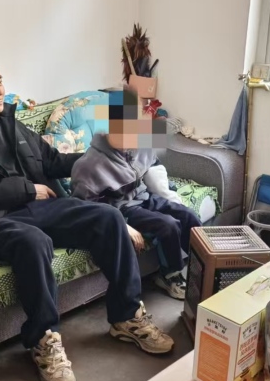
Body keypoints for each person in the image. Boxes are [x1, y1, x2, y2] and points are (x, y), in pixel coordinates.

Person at [0, 54, 174, 381]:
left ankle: (127, 316)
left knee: (107, 216)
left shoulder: (11, 122)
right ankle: (44, 340)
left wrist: (101, 156)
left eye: (0, 81)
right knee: (33, 241)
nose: (0, 90)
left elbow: (52, 160)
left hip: (38, 207)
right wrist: (28, 189)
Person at [70, 90, 201, 300]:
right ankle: (170, 275)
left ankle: (200, 268)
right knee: (167, 225)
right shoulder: (88, 166)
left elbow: (153, 167)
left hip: (143, 197)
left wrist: (171, 198)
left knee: (189, 216)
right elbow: (86, 209)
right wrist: (122, 225)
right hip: (121, 210)